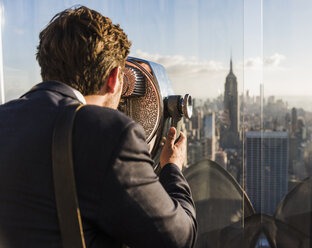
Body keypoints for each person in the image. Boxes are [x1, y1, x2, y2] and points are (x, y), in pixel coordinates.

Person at [0, 6, 197, 248]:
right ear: (115, 78)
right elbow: (178, 239)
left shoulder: (5, 117)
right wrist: (173, 169)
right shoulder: (110, 134)